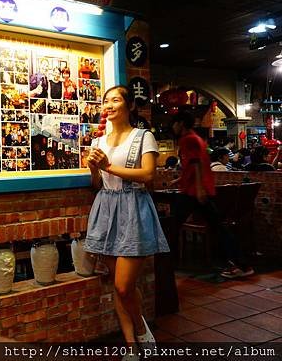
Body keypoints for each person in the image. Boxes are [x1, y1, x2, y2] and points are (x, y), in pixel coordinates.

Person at [84, 85, 168, 355]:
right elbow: (97, 184)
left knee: (123, 285)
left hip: (133, 209)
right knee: (121, 287)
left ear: (129, 105)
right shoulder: (99, 141)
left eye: (115, 100)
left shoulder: (144, 137)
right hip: (107, 209)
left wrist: (107, 165)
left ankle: (142, 331)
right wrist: (93, 169)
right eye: (105, 101)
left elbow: (147, 175)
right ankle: (131, 345)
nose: (108, 105)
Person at [170, 111, 254, 279]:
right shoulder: (196, 138)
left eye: (174, 123)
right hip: (197, 190)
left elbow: (197, 164)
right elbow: (195, 165)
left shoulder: (189, 139)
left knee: (172, 226)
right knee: (219, 228)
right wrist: (181, 178)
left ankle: (162, 264)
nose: (173, 126)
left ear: (180, 123)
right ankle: (241, 264)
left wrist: (199, 188)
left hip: (194, 192)